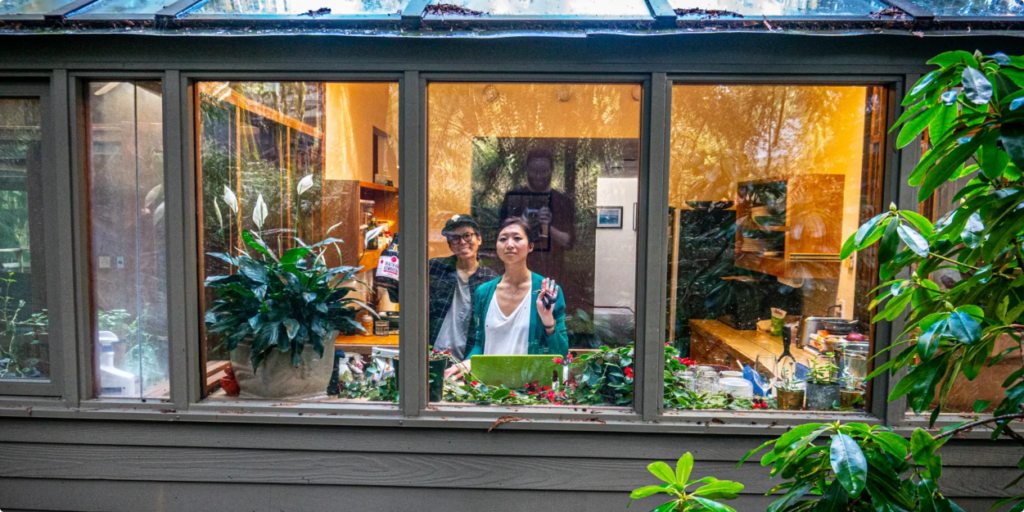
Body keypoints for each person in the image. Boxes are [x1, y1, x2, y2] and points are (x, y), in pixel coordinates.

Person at [446, 218, 568, 378]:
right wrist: (469, 362)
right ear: (497, 247)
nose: (509, 244)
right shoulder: (484, 292)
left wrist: (547, 320)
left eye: (517, 238)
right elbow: (480, 343)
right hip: (486, 391)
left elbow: (560, 354)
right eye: (503, 239)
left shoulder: (547, 291)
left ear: (530, 246)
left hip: (529, 393)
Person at [499, 146, 575, 283]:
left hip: (553, 273)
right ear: (527, 170)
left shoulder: (563, 202)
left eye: (544, 171)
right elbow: (500, 238)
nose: (539, 176)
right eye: (534, 171)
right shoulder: (514, 198)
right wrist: (523, 223)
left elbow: (568, 242)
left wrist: (547, 226)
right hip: (517, 273)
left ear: (552, 170)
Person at [429, 214, 498, 361]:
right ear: (450, 246)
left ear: (479, 239)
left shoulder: (490, 280)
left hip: (467, 361)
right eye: (455, 238)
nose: (462, 242)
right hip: (432, 357)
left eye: (467, 236)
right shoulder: (435, 268)